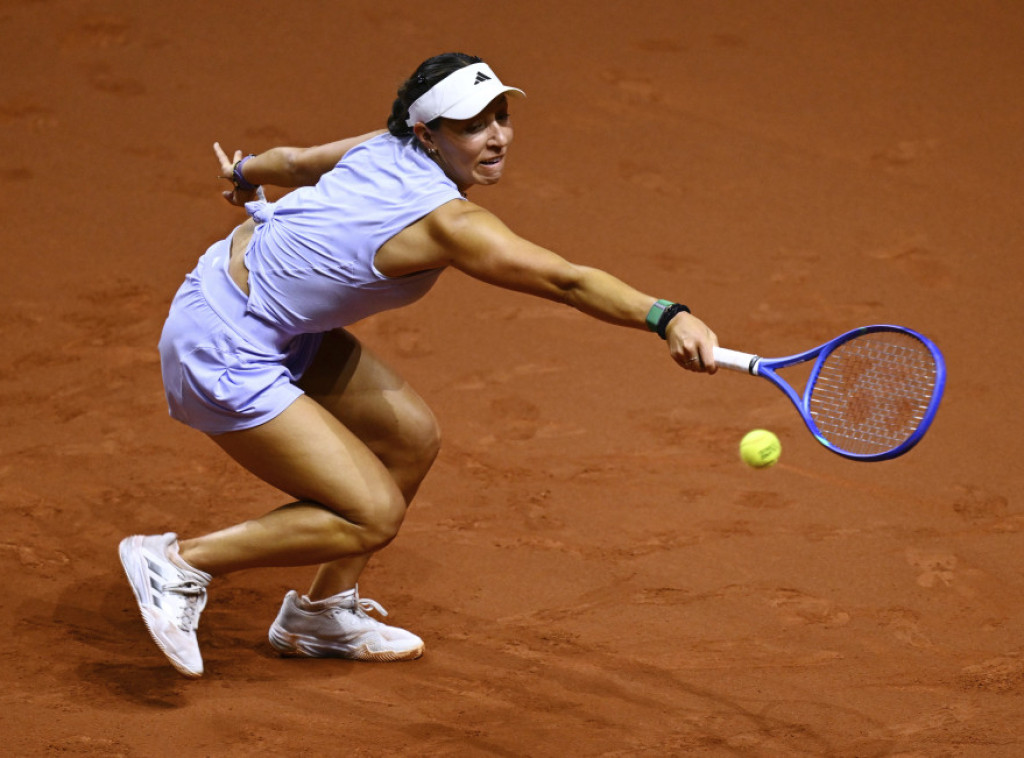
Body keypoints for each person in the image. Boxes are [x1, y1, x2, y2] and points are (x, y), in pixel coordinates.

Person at [119, 52, 719, 678]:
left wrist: (243, 173)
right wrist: (667, 317)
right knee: (371, 515)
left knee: (410, 437)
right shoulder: (450, 224)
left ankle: (319, 614)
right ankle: (180, 564)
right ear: (428, 133)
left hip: (259, 310)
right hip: (221, 346)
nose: (496, 137)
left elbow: (292, 164)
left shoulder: (385, 144)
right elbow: (567, 281)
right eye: (473, 126)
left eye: (501, 117)